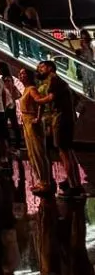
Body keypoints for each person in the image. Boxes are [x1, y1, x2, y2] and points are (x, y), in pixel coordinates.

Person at [36, 60, 83, 197]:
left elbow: (50, 98)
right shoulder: (61, 82)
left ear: (50, 68)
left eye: (42, 67)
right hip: (67, 118)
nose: (40, 70)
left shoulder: (54, 81)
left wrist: (38, 100)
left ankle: (74, 187)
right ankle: (74, 182)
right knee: (68, 151)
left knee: (64, 152)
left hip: (61, 119)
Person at [19, 68, 51, 194]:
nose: (21, 76)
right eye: (20, 74)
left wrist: (38, 118)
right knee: (32, 152)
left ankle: (45, 181)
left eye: (23, 74)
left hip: (31, 121)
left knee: (38, 152)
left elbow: (40, 102)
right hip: (27, 121)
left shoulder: (32, 89)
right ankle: (40, 180)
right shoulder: (27, 89)